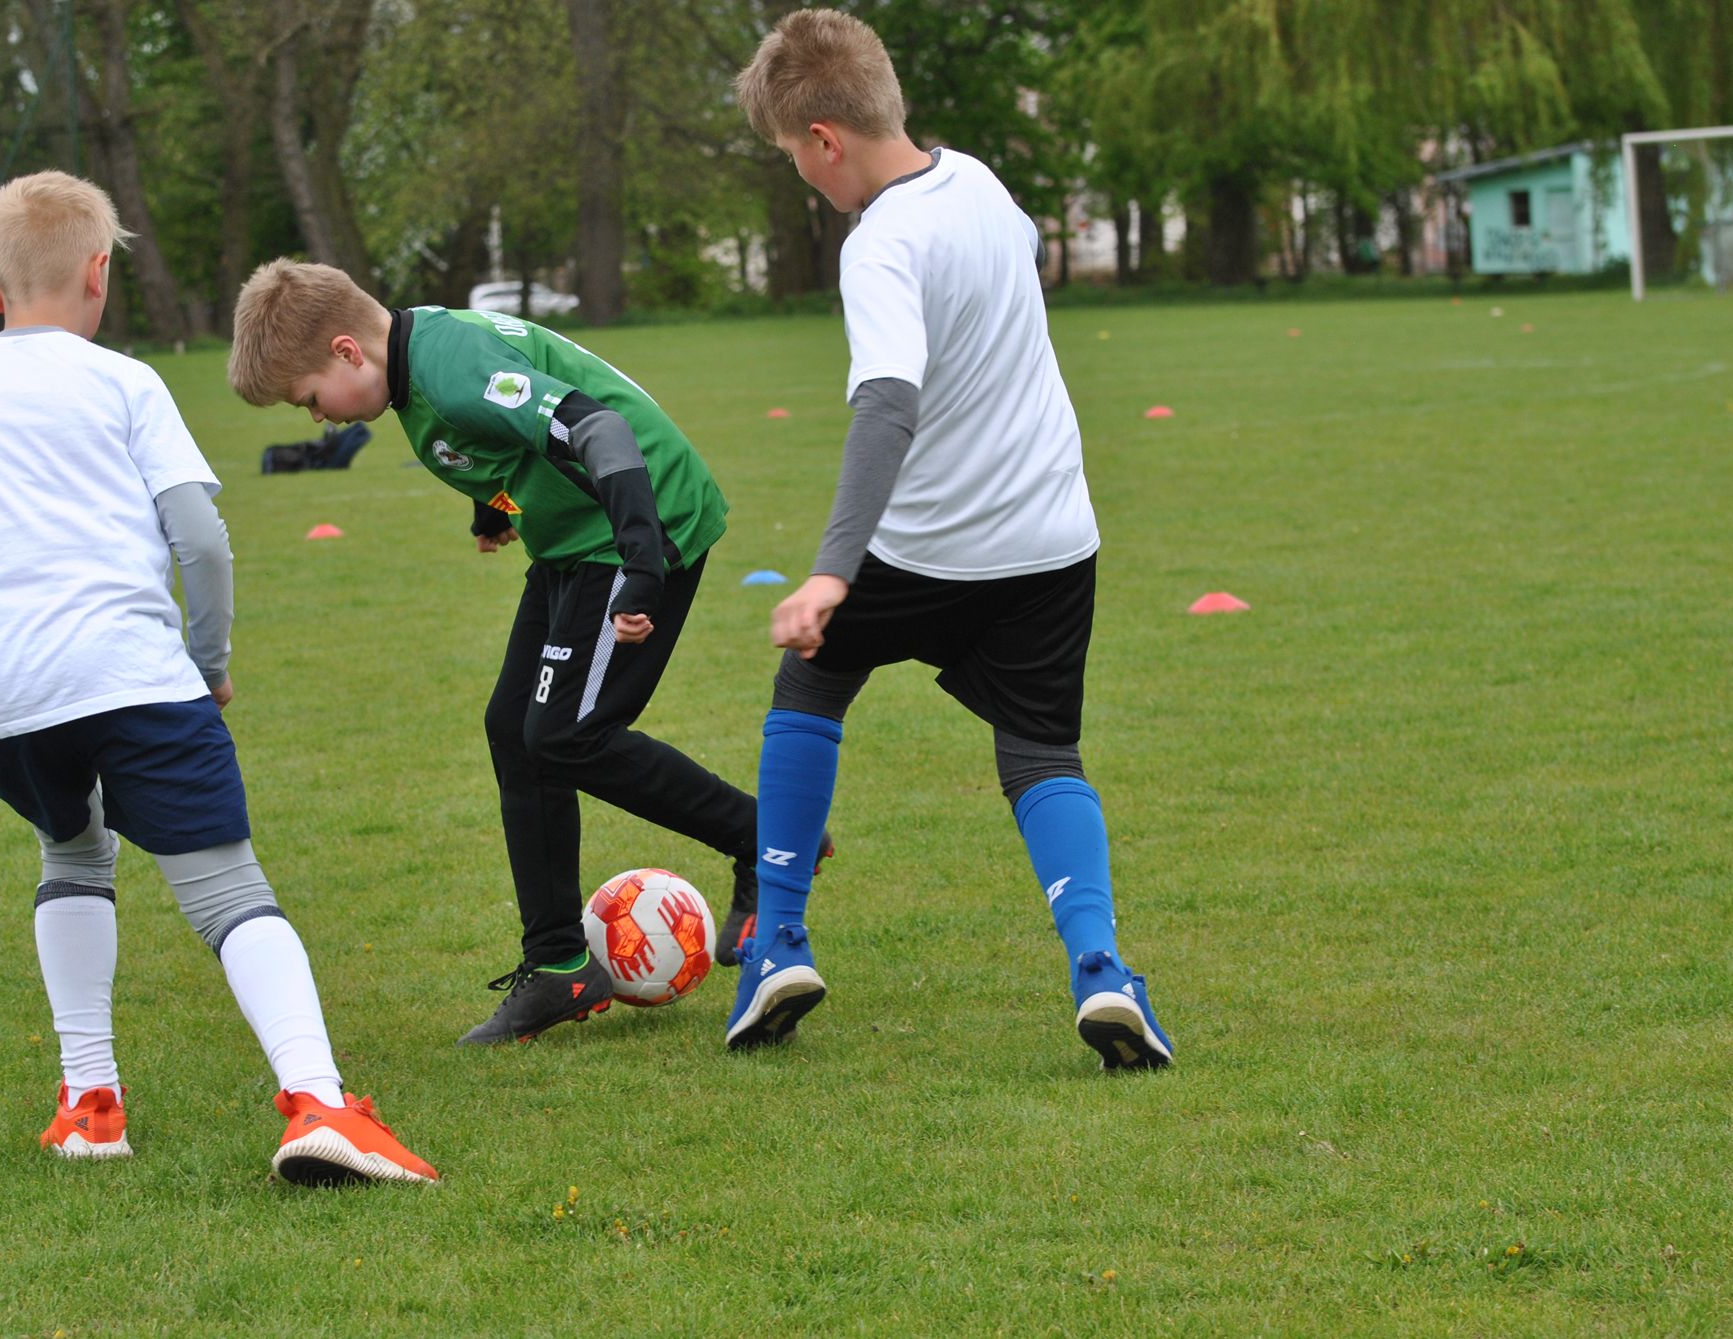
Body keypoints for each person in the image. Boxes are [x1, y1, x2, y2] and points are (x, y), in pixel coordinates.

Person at [0, 171, 438, 1184]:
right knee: (228, 892)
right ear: (100, 275)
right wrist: (207, 664)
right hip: (129, 674)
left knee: (73, 851)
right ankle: (318, 1102)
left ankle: (90, 1104)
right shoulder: (125, 383)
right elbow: (201, 542)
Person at [724, 10, 1173, 1069]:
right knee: (1039, 752)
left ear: (825, 138)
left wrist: (832, 570)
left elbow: (886, 403)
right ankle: (1102, 970)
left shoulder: (878, 244)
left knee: (809, 685)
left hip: (924, 546)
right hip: (1051, 536)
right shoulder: (979, 185)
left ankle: (777, 942)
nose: (803, 180)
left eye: (795, 159)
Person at [226, 260, 826, 1044]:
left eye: (308, 398)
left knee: (568, 735)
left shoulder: (447, 368)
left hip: (637, 527)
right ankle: (557, 965)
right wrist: (491, 509)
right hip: (573, 538)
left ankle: (764, 838)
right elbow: (505, 435)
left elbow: (597, 427)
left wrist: (644, 564)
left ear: (347, 351)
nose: (317, 418)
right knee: (515, 728)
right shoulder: (412, 360)